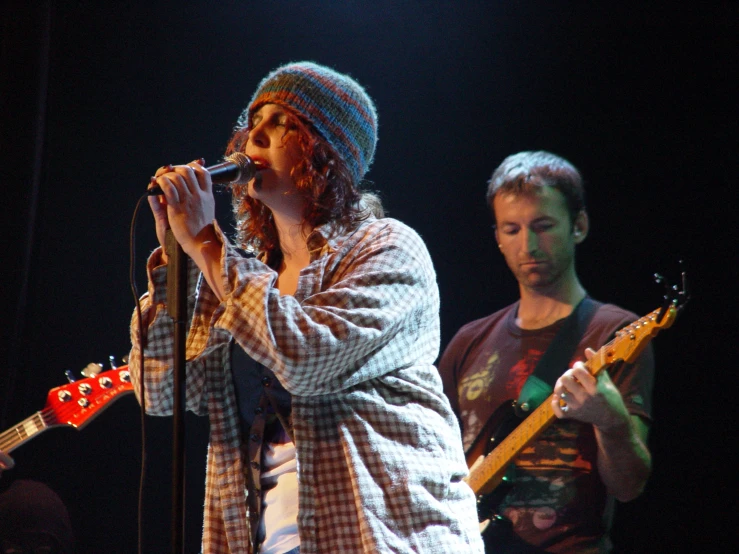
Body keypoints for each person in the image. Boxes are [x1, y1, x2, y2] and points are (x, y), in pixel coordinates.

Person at [129, 61, 483, 554]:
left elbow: (305, 356)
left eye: (282, 122)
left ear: (327, 152)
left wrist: (208, 245)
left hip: (385, 537)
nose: (256, 133)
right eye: (253, 121)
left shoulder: (387, 249)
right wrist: (175, 259)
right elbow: (160, 391)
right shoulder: (236, 275)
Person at [438, 151, 654, 553]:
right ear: (497, 237)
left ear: (580, 225)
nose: (529, 245)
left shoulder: (613, 333)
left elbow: (628, 486)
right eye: (512, 229)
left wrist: (612, 422)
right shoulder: (468, 341)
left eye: (543, 226)